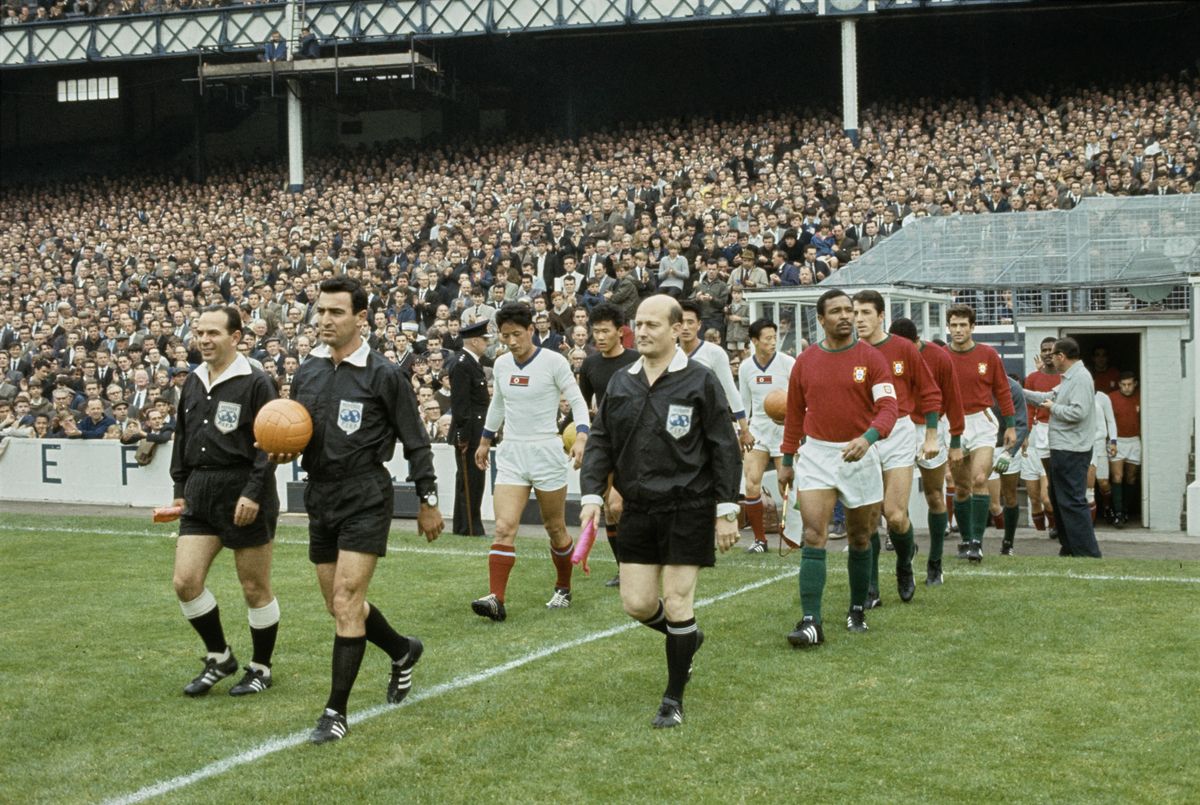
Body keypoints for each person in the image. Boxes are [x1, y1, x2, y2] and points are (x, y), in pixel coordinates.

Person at [277, 277, 443, 744]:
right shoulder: (307, 372)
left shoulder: (384, 374)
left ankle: (335, 712)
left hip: (366, 495)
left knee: (347, 602)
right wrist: (280, 447)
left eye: (336, 313)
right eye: (321, 312)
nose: (325, 320)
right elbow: (298, 431)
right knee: (337, 603)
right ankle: (403, 650)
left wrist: (428, 500)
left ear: (360, 318)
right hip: (320, 495)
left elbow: (415, 439)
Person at [579, 295, 741, 728]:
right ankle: (687, 639)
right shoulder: (621, 382)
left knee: (676, 600)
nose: (644, 331)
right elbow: (600, 442)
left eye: (654, 324)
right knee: (635, 603)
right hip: (638, 507)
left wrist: (727, 510)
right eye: (640, 324)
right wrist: (593, 495)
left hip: (689, 505)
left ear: (676, 329)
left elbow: (724, 447)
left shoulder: (700, 380)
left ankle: (673, 699)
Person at [166, 305, 281, 698]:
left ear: (236, 337)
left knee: (253, 587)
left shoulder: (256, 381)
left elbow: (270, 443)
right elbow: (183, 438)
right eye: (200, 332)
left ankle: (261, 667)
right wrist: (180, 489)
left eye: (213, 333)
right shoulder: (193, 380)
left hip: (244, 491)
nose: (204, 340)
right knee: (185, 582)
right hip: (200, 491)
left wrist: (253, 491)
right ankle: (219, 656)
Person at [776, 289, 898, 647]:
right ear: (821, 319)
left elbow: (889, 407)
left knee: (862, 537)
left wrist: (869, 438)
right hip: (817, 454)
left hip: (860, 453)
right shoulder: (806, 361)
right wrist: (786, 459)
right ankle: (811, 621)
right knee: (815, 534)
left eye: (850, 310)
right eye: (837, 311)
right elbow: (795, 413)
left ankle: (857, 607)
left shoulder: (872, 359)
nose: (846, 316)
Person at [472, 302, 590, 621]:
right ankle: (496, 598)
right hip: (511, 451)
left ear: (530, 331)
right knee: (503, 526)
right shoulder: (501, 365)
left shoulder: (553, 362)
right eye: (505, 336)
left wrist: (581, 436)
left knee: (555, 527)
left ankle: (563, 587)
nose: (510, 342)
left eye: (516, 335)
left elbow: (578, 401)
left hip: (546, 451)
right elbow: (498, 403)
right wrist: (485, 441)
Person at [851, 291, 940, 608]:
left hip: (899, 431)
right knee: (869, 517)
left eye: (864, 312)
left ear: (881, 316)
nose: (858, 318)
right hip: (863, 435)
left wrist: (931, 435)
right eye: (854, 312)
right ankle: (872, 585)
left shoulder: (903, 348)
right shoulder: (850, 352)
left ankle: (904, 564)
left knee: (895, 514)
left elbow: (930, 392)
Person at [886, 318, 965, 586]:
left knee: (934, 494)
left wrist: (955, 440)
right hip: (901, 428)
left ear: (914, 342)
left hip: (933, 430)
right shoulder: (888, 354)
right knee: (896, 502)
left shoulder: (939, 358)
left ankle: (936, 561)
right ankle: (906, 550)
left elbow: (953, 397)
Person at [943, 304, 1015, 563]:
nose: (959, 330)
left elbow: (1003, 390)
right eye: (954, 325)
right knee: (961, 487)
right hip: (953, 424)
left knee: (981, 478)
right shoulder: (941, 356)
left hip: (983, 422)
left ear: (972, 327)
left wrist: (1011, 425)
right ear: (948, 327)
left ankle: (977, 542)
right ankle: (964, 539)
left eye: (963, 325)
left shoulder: (988, 355)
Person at [577, 303, 640, 587]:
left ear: (620, 332)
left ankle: (637, 564)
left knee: (619, 505)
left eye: (605, 331)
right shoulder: (590, 364)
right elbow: (581, 404)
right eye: (596, 332)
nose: (599, 337)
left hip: (637, 441)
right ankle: (624, 568)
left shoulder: (637, 360)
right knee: (611, 508)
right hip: (606, 442)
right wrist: (575, 434)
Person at [1021, 337, 1102, 558]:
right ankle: (1070, 548)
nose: (1049, 358)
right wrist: (1020, 392)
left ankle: (1087, 552)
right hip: (1065, 447)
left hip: (1072, 449)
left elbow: (1079, 412)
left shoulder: (1081, 379)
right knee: (1059, 498)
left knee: (1073, 501)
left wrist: (1053, 408)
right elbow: (1047, 397)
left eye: (1053, 354)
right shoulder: (1070, 377)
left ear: (1061, 357)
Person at [736, 318, 795, 553]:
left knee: (786, 485)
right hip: (758, 429)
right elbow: (743, 402)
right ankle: (760, 540)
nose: (773, 342)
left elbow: (801, 397)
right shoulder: (746, 367)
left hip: (784, 430)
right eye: (767, 338)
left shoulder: (788, 363)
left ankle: (791, 535)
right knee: (751, 484)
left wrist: (794, 422)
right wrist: (744, 431)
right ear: (754, 341)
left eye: (774, 337)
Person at [678, 299, 753, 450]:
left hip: (710, 422)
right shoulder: (669, 353)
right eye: (681, 322)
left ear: (699, 325)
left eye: (690, 322)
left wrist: (744, 429)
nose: (685, 327)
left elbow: (731, 391)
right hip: (679, 422)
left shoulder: (714, 353)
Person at [449, 320, 490, 537]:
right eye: (484, 340)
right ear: (475, 341)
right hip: (470, 431)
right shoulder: (463, 364)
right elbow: (461, 405)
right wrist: (463, 435)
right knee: (469, 480)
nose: (486, 344)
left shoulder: (471, 363)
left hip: (476, 428)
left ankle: (468, 524)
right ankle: (469, 527)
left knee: (474, 480)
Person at [983, 375, 1030, 556]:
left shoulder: (1014, 388)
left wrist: (1009, 453)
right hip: (984, 445)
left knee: (1010, 495)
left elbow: (1022, 423)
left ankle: (1008, 542)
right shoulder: (977, 383)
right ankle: (974, 542)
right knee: (980, 491)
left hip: (1006, 446)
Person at [1023, 337, 1061, 534]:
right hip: (1037, 433)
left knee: (1048, 494)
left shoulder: (1065, 377)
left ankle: (1055, 527)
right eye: (1044, 349)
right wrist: (1026, 433)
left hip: (1056, 431)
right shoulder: (1032, 378)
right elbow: (1028, 408)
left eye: (1050, 350)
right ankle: (1038, 535)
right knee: (1033, 495)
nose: (1047, 353)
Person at [1108, 372, 1141, 528]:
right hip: (1117, 441)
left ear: (1135, 383)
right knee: (1117, 476)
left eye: (1129, 384)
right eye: (1123, 385)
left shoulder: (1141, 395)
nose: (1127, 388)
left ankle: (1126, 509)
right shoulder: (1111, 398)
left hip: (1135, 440)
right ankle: (1118, 513)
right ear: (1119, 384)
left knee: (1131, 477)